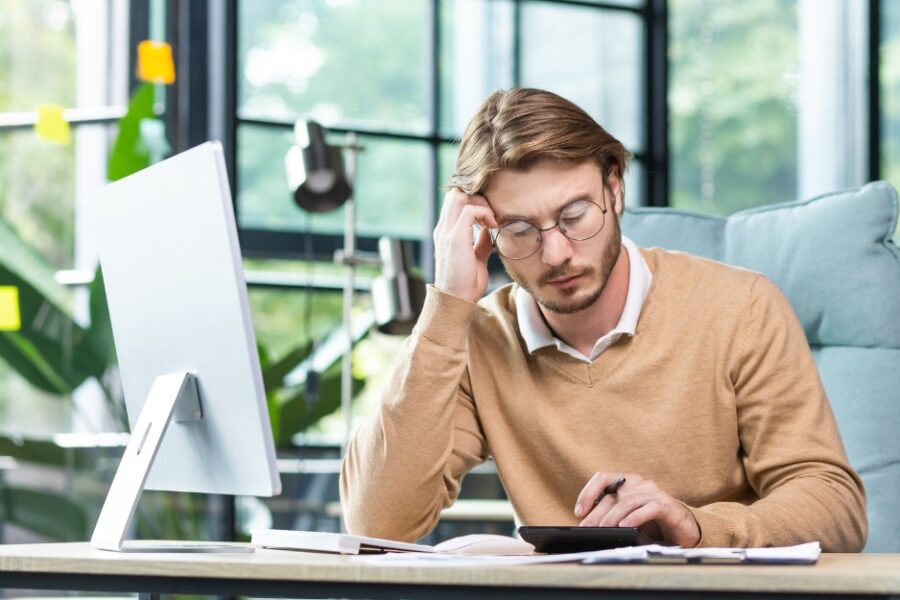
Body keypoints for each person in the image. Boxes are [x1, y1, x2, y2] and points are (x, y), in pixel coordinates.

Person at [340, 88, 867, 551]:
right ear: (483, 231)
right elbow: (375, 521)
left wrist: (696, 527)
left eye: (575, 216)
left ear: (615, 187)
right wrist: (448, 302)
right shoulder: (477, 338)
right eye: (520, 230)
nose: (556, 253)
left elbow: (835, 505)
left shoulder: (743, 307)